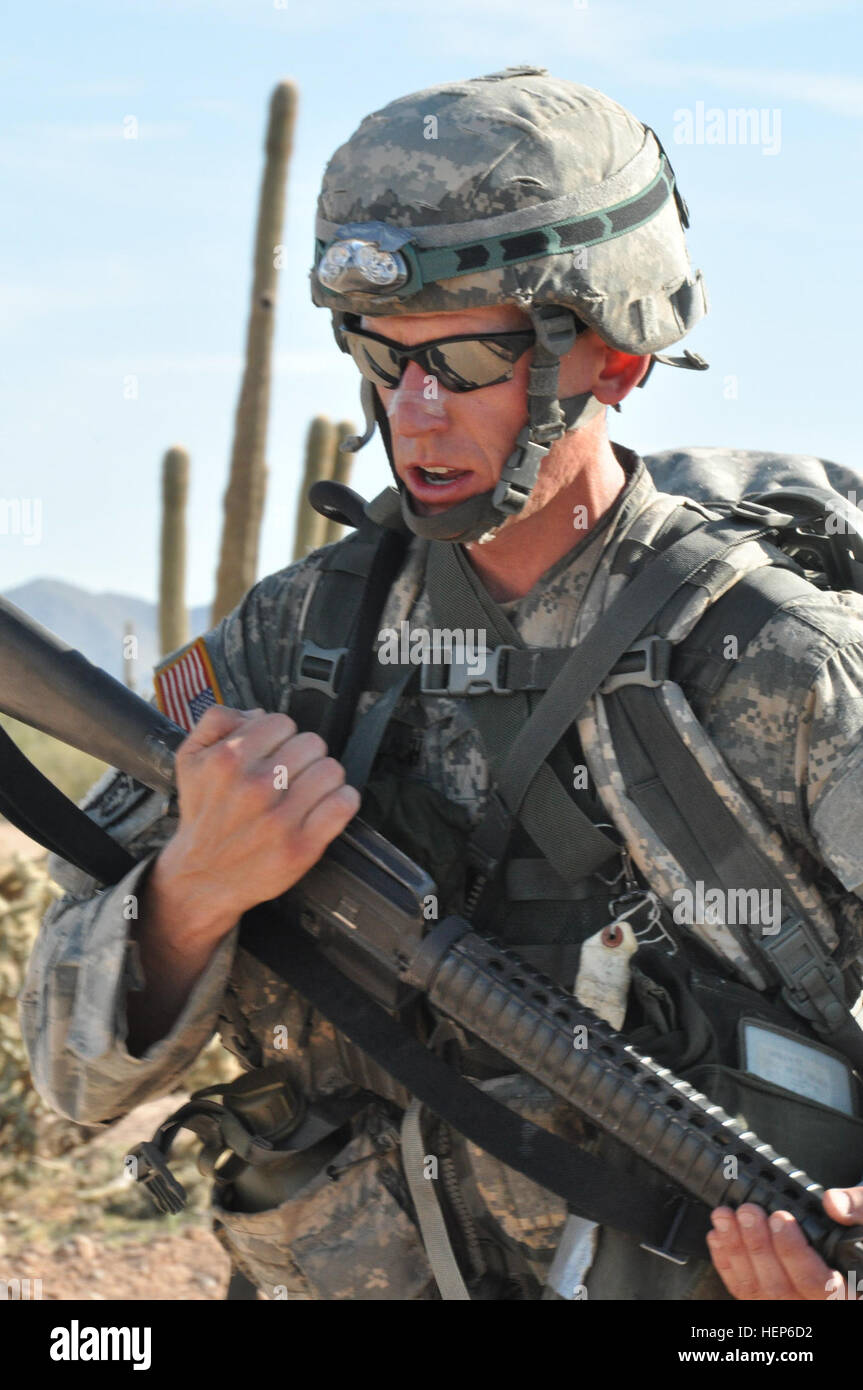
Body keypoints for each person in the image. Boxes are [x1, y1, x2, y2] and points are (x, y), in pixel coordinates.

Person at [20, 66, 863, 1302]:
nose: (411, 411)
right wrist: (193, 895)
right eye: (377, 351)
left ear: (614, 359)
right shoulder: (291, 646)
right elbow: (66, 1069)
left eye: (466, 358)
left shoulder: (778, 661)